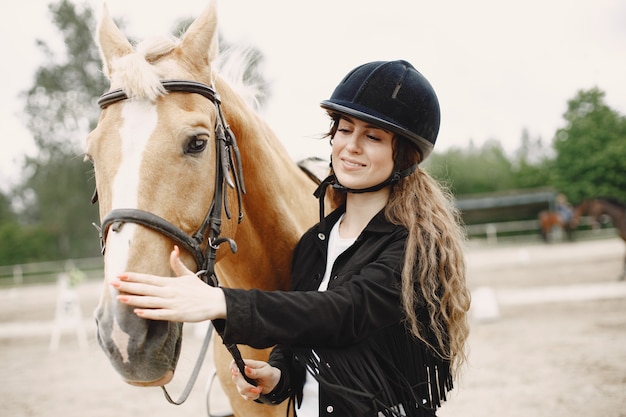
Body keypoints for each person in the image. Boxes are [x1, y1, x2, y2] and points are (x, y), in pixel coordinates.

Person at [112, 60, 471, 417]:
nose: (351, 146)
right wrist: (278, 376)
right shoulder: (317, 241)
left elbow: (342, 314)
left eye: (372, 136)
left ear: (405, 155)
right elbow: (303, 337)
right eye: (344, 130)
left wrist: (220, 302)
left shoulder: (412, 246)